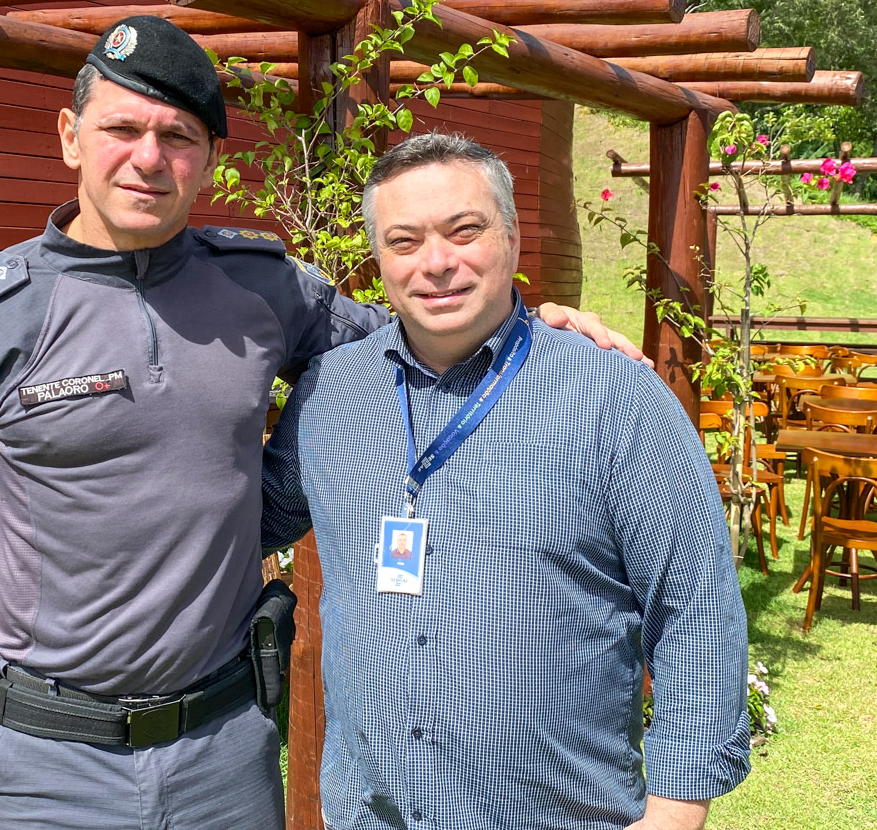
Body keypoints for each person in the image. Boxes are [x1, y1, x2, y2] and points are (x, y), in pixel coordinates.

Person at [0, 18, 643, 830]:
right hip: (48, 764)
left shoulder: (264, 289)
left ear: (208, 161)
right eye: (123, 129)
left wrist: (536, 329)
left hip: (225, 756)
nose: (149, 157)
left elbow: (415, 344)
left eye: (178, 136)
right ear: (71, 137)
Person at [262, 132, 751, 830]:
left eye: (465, 231)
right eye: (404, 241)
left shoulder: (615, 400)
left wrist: (674, 812)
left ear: (514, 237)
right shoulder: (331, 395)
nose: (436, 263)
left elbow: (695, 607)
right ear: (379, 259)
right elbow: (242, 518)